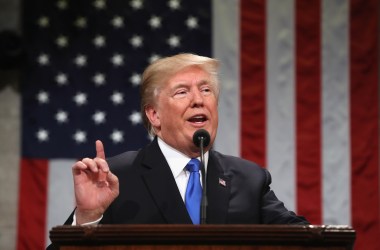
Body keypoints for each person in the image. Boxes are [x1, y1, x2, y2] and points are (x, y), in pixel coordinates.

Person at [60, 53, 309, 229]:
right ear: (154, 115)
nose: (198, 100)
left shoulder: (249, 179)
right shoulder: (117, 177)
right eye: (182, 92)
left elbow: (303, 240)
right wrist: (88, 217)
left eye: (206, 90)